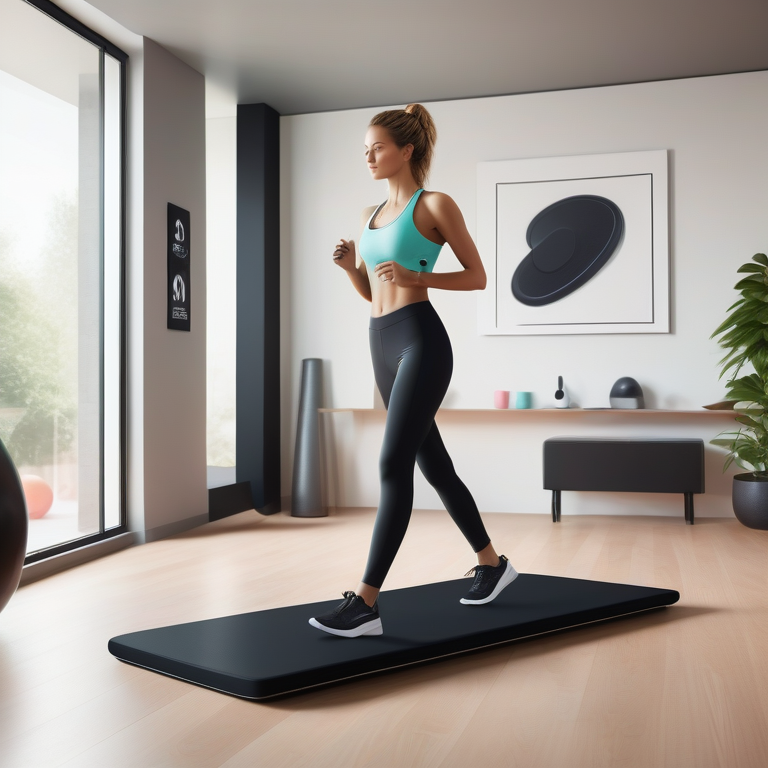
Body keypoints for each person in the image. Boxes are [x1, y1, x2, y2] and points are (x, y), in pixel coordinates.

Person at [309, 104, 517, 638]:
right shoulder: (368, 215)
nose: (369, 157)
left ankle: (366, 603)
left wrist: (417, 277)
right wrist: (347, 270)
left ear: (407, 150)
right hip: (381, 341)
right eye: (365, 150)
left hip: (421, 342)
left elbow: (478, 277)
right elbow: (372, 292)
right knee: (435, 466)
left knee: (390, 464)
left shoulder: (435, 205)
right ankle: (493, 564)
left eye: (377, 147)